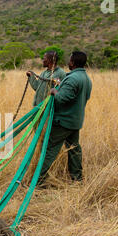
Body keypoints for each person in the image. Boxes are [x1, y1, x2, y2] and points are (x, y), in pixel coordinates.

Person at [38, 51, 92, 185]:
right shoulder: (85, 78)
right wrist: (60, 84)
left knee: (49, 149)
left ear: (73, 62)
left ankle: (39, 180)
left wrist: (54, 91)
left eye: (70, 60)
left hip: (63, 121)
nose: (68, 62)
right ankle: (77, 179)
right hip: (75, 121)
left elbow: (62, 98)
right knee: (74, 149)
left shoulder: (73, 79)